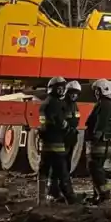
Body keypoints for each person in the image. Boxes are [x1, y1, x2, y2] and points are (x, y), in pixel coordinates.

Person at [38, 76, 78, 205]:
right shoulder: (56, 103)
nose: (61, 91)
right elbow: (60, 122)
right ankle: (71, 199)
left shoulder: (45, 103)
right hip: (57, 143)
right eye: (60, 88)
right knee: (62, 172)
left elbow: (44, 124)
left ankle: (41, 199)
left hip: (45, 143)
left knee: (44, 171)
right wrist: (69, 131)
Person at [84, 79, 111, 204]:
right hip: (103, 142)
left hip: (100, 143)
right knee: (95, 169)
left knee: (95, 168)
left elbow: (101, 123)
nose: (95, 93)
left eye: (97, 91)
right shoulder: (107, 103)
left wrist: (95, 138)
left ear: (101, 90)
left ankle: (104, 194)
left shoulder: (105, 104)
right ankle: (98, 195)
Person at [48, 80, 82, 200]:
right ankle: (54, 191)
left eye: (76, 93)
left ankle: (59, 191)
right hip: (62, 139)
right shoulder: (62, 104)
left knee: (66, 165)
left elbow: (75, 121)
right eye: (72, 93)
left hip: (70, 139)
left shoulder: (75, 105)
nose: (74, 95)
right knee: (59, 166)